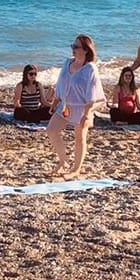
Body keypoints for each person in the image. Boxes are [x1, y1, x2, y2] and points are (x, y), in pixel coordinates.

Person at [48, 34, 106, 179]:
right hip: (65, 105)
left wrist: (87, 114)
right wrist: (56, 99)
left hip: (82, 107)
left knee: (80, 137)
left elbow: (93, 92)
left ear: (86, 50)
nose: (73, 49)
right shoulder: (67, 62)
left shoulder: (90, 69)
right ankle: (63, 161)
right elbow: (61, 82)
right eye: (72, 46)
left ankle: (76, 169)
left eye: (76, 47)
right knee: (51, 130)